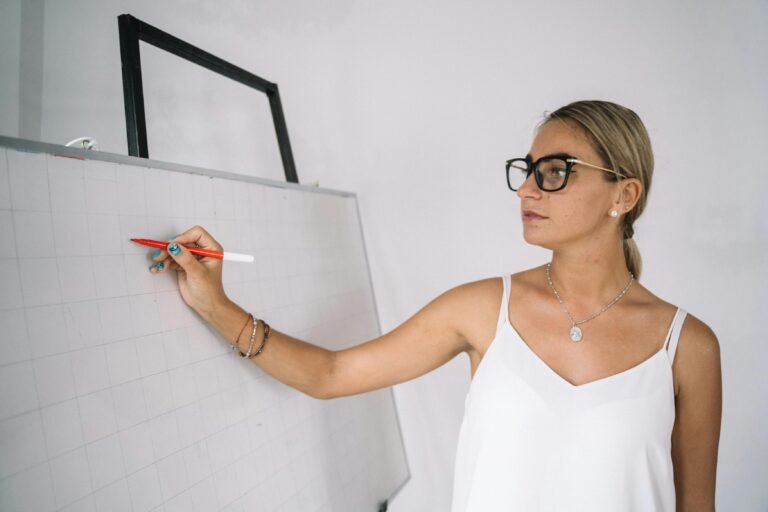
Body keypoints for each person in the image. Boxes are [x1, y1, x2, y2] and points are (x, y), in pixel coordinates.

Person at [148, 100, 721, 511]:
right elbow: (330, 373)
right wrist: (216, 304)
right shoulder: (479, 309)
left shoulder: (688, 347)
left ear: (624, 195)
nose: (526, 189)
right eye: (527, 171)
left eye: (555, 172)